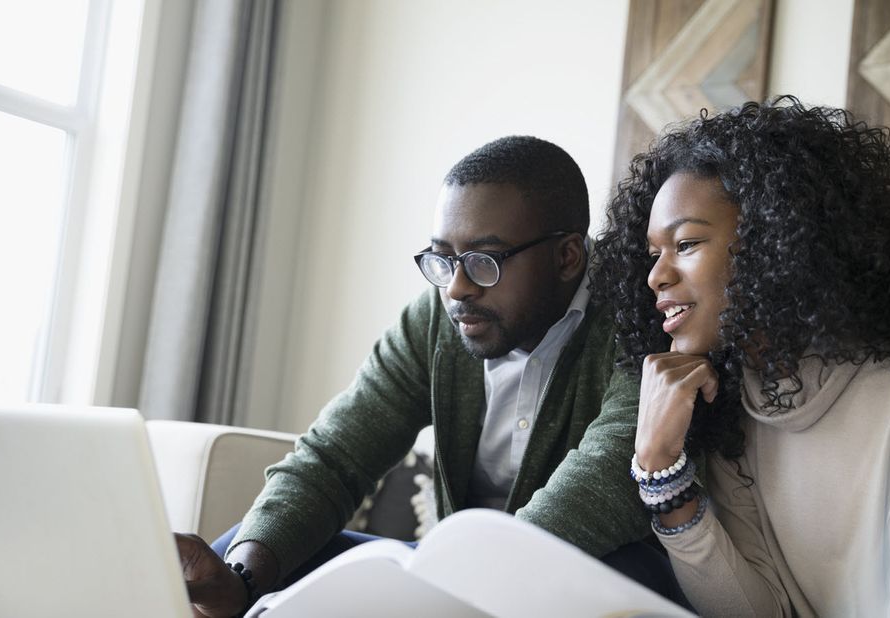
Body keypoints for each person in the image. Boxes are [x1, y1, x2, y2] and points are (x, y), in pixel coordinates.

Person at [591, 98, 890, 616]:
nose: (656, 276)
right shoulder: (740, 404)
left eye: (686, 243)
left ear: (773, 237)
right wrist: (661, 471)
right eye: (653, 254)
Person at [175, 136, 676, 617]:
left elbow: (604, 483)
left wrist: (459, 591)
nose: (456, 288)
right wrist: (242, 581)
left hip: (583, 570)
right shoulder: (439, 320)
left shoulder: (640, 313)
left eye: (483, 261)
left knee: (619, 567)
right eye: (443, 258)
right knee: (249, 553)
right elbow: (336, 457)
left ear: (567, 257)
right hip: (457, 571)